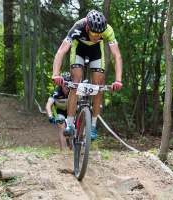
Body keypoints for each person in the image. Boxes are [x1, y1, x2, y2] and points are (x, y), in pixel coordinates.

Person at [51, 9, 123, 140]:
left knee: (98, 85)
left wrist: (118, 80)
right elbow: (61, 51)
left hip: (96, 51)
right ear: (87, 26)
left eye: (99, 33)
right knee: (76, 83)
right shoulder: (78, 26)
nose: (96, 36)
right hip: (79, 49)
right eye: (94, 32)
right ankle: (70, 123)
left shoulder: (108, 30)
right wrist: (56, 74)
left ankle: (93, 126)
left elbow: (117, 55)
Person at [46, 72, 71, 150]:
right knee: (61, 125)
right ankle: (63, 150)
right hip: (61, 112)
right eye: (64, 84)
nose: (67, 87)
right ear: (61, 84)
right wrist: (50, 116)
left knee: (73, 128)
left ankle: (74, 148)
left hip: (73, 112)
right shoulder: (56, 92)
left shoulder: (74, 91)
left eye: (68, 84)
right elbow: (48, 105)